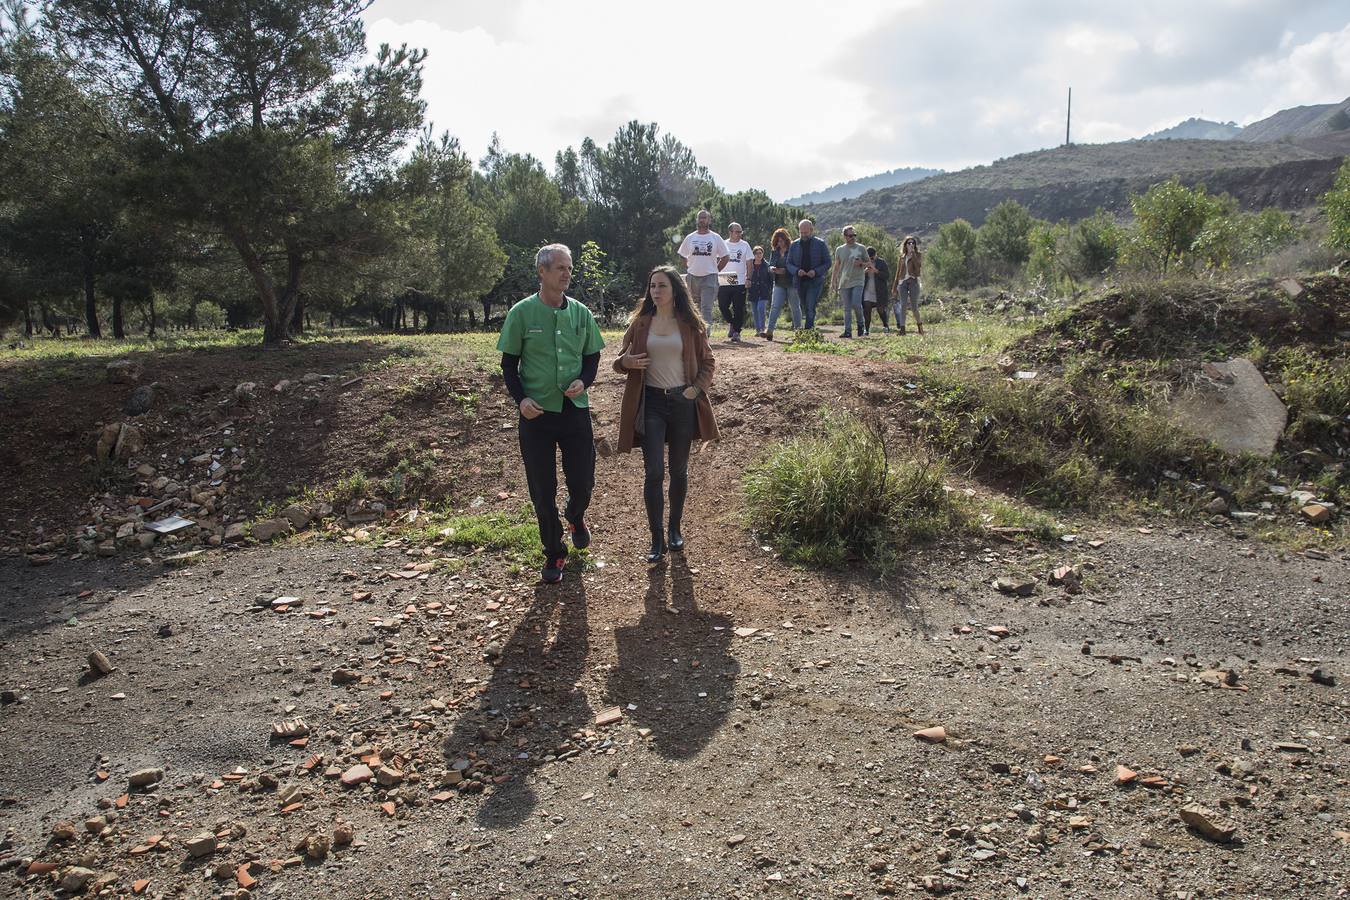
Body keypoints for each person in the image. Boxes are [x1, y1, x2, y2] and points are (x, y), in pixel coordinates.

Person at [497, 243, 605, 584]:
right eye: (560, 268)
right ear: (542, 272)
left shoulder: (582, 313)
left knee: (584, 482)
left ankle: (576, 514)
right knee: (542, 491)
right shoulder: (521, 313)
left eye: (569, 268)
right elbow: (509, 365)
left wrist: (584, 380)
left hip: (574, 412)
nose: (567, 273)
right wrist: (521, 400)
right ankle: (554, 552)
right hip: (537, 416)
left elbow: (592, 358)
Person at [613, 266, 720, 563]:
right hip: (651, 404)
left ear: (675, 290)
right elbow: (619, 363)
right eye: (652, 286)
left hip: (682, 402)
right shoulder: (640, 323)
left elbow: (709, 363)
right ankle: (656, 537)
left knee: (679, 471)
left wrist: (695, 390)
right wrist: (627, 362)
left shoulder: (690, 324)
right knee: (654, 472)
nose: (655, 291)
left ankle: (675, 529)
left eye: (661, 286)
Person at [677, 209, 729, 328]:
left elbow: (725, 256)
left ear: (709, 220)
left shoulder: (715, 237)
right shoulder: (690, 237)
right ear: (697, 220)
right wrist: (689, 267)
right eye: (700, 217)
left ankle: (705, 337)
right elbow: (682, 255)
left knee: (706, 308)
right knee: (694, 307)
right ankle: (694, 334)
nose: (702, 219)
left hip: (709, 277)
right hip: (692, 278)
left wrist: (716, 270)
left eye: (704, 217)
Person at [785, 219, 831, 330]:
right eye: (801, 233)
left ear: (811, 230)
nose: (803, 235)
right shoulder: (794, 245)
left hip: (815, 281)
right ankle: (806, 330)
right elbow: (788, 263)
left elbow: (828, 262)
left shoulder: (820, 244)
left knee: (810, 306)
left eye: (806, 232)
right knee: (804, 307)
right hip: (799, 282)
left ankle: (808, 331)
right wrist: (796, 271)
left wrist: (815, 271)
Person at [830, 225, 872, 339]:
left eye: (854, 235)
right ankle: (847, 331)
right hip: (844, 282)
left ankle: (861, 327)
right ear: (845, 236)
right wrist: (833, 281)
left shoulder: (861, 248)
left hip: (858, 280)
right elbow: (836, 266)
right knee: (847, 307)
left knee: (856, 304)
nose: (853, 237)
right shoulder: (839, 249)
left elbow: (869, 264)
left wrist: (862, 264)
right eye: (850, 235)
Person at [716, 223, 754, 342]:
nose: (739, 234)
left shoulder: (745, 245)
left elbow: (749, 263)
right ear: (730, 232)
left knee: (738, 307)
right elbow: (716, 259)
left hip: (740, 280)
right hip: (725, 278)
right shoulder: (723, 243)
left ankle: (736, 331)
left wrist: (748, 278)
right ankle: (732, 323)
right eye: (737, 232)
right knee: (722, 305)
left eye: (740, 232)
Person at [764, 227, 798, 340]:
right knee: (775, 307)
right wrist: (772, 268)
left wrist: (786, 270)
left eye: (782, 240)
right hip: (779, 283)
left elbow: (796, 265)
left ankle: (799, 332)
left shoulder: (793, 250)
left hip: (792, 283)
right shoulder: (774, 252)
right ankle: (769, 331)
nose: (780, 243)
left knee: (795, 307)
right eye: (778, 241)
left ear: (786, 239)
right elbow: (770, 265)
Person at [893, 235, 924, 335]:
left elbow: (918, 267)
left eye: (913, 243)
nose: (911, 245)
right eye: (909, 243)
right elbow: (898, 272)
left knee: (914, 306)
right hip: (902, 283)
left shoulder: (918, 255)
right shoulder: (902, 257)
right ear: (905, 245)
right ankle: (902, 329)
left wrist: (913, 254)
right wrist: (894, 286)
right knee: (903, 305)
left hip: (913, 281)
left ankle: (919, 326)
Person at [862, 246, 891, 335]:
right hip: (867, 289)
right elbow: (857, 276)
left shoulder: (881, 262)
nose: (871, 259)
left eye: (872, 257)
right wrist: (864, 272)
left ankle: (886, 326)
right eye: (869, 258)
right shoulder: (864, 262)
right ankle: (866, 329)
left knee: (880, 310)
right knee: (866, 308)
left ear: (875, 255)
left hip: (879, 291)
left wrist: (876, 271)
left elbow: (886, 276)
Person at [747, 245, 772, 338]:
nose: (759, 255)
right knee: (754, 311)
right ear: (753, 254)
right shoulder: (750, 265)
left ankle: (762, 329)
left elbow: (770, 279)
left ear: (763, 254)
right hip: (753, 291)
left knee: (760, 308)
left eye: (760, 253)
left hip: (764, 291)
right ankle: (757, 330)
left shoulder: (767, 265)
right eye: (757, 253)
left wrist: (770, 290)